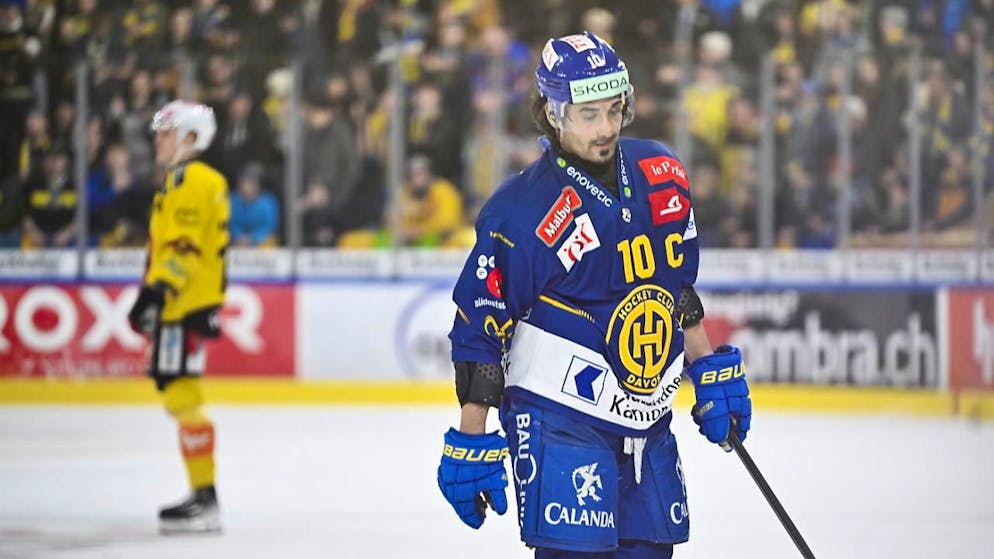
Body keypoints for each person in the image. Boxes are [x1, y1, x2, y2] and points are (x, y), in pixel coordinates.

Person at [437, 32, 752, 558]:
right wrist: (473, 434)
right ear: (552, 113)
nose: (606, 128)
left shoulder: (662, 174)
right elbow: (481, 330)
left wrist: (708, 368)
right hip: (558, 420)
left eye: (614, 110)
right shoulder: (520, 209)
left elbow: (675, 286)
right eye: (588, 114)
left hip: (647, 422)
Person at [128, 100, 229, 534]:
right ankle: (203, 495)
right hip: (184, 303)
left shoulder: (191, 179)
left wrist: (157, 293)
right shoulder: (184, 179)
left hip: (181, 305)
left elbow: (184, 247)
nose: (159, 140)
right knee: (181, 395)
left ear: (190, 137)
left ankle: (205, 498)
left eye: (167, 132)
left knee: (182, 398)